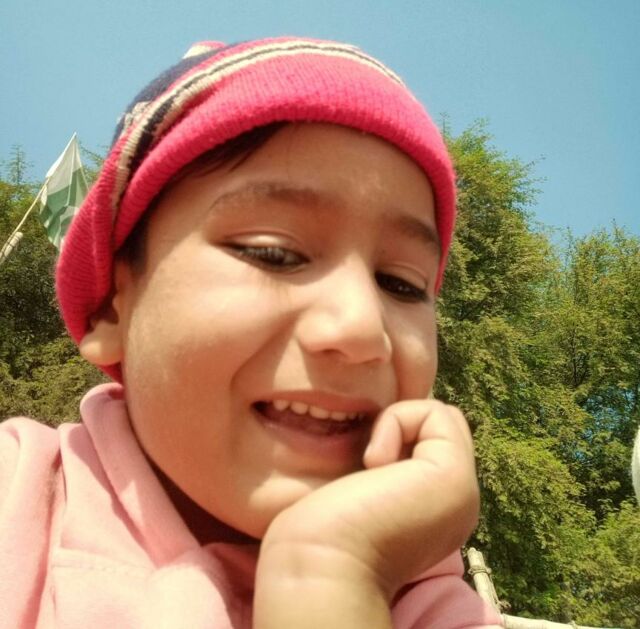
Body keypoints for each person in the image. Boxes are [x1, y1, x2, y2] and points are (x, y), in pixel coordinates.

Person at [0, 37, 502, 628]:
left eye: (401, 284)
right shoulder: (16, 493)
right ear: (112, 307)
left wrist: (328, 570)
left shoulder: (435, 606)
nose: (362, 326)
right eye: (273, 253)